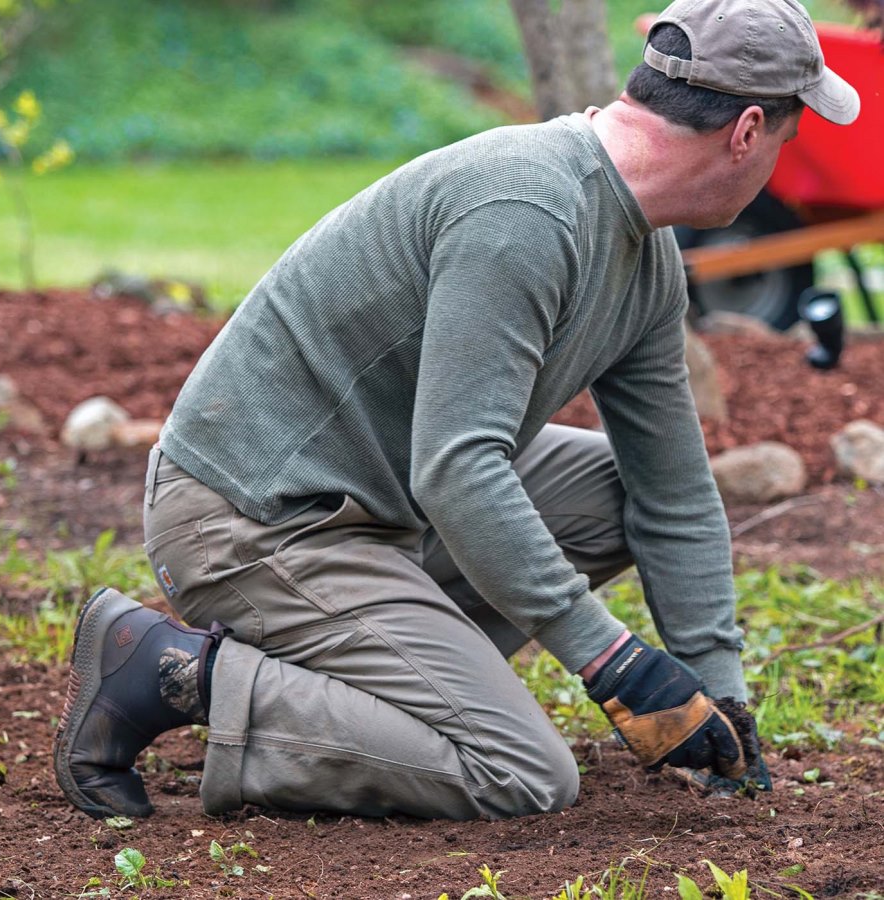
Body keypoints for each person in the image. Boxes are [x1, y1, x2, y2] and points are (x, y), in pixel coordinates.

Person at [54, 0, 859, 821]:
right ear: (747, 129)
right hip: (254, 518)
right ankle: (171, 671)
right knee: (519, 771)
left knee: (627, 492)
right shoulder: (527, 212)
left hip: (384, 495)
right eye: (789, 141)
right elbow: (459, 466)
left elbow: (674, 493)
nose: (778, 162)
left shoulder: (647, 258)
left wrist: (719, 690)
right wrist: (612, 661)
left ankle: (391, 679)